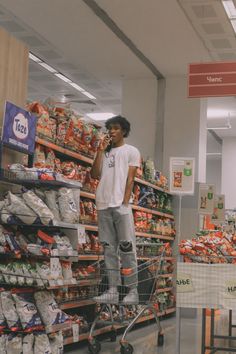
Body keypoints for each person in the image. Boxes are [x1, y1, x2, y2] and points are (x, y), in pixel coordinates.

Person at [91, 115, 140, 305]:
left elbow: (130, 179)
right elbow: (94, 174)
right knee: (109, 250)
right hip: (103, 205)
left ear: (124, 131)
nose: (112, 131)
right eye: (110, 128)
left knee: (127, 249)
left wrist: (125, 202)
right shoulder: (105, 152)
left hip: (121, 206)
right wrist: (99, 151)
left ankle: (132, 290)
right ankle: (112, 289)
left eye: (116, 128)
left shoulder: (131, 151)